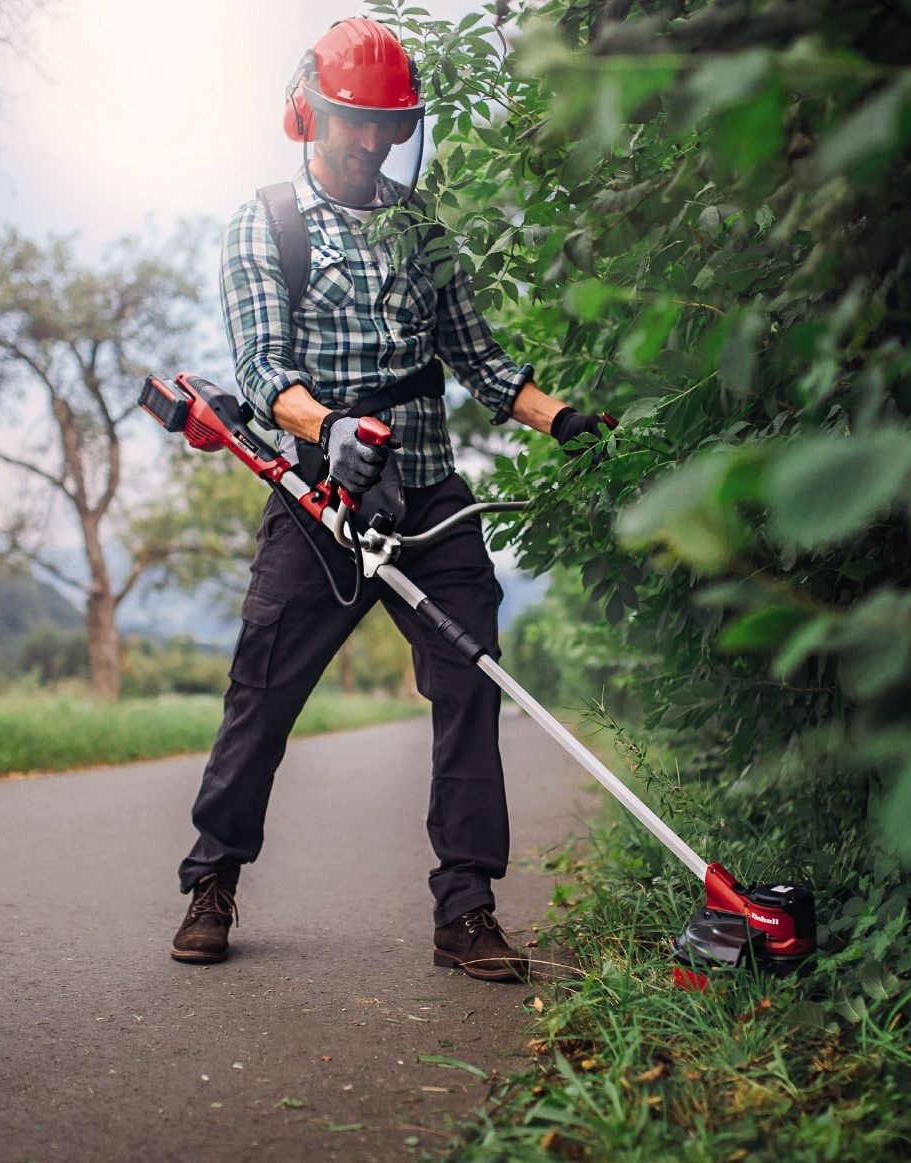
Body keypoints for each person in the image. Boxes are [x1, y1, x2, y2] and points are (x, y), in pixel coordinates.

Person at [170, 17, 611, 983]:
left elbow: (483, 361)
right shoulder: (265, 223)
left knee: (470, 689)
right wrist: (327, 430)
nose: (370, 143)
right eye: (352, 123)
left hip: (429, 498)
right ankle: (212, 878)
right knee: (263, 696)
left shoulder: (422, 228)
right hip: (318, 500)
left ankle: (468, 911)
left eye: (387, 125)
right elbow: (260, 367)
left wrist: (568, 419)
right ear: (309, 113)